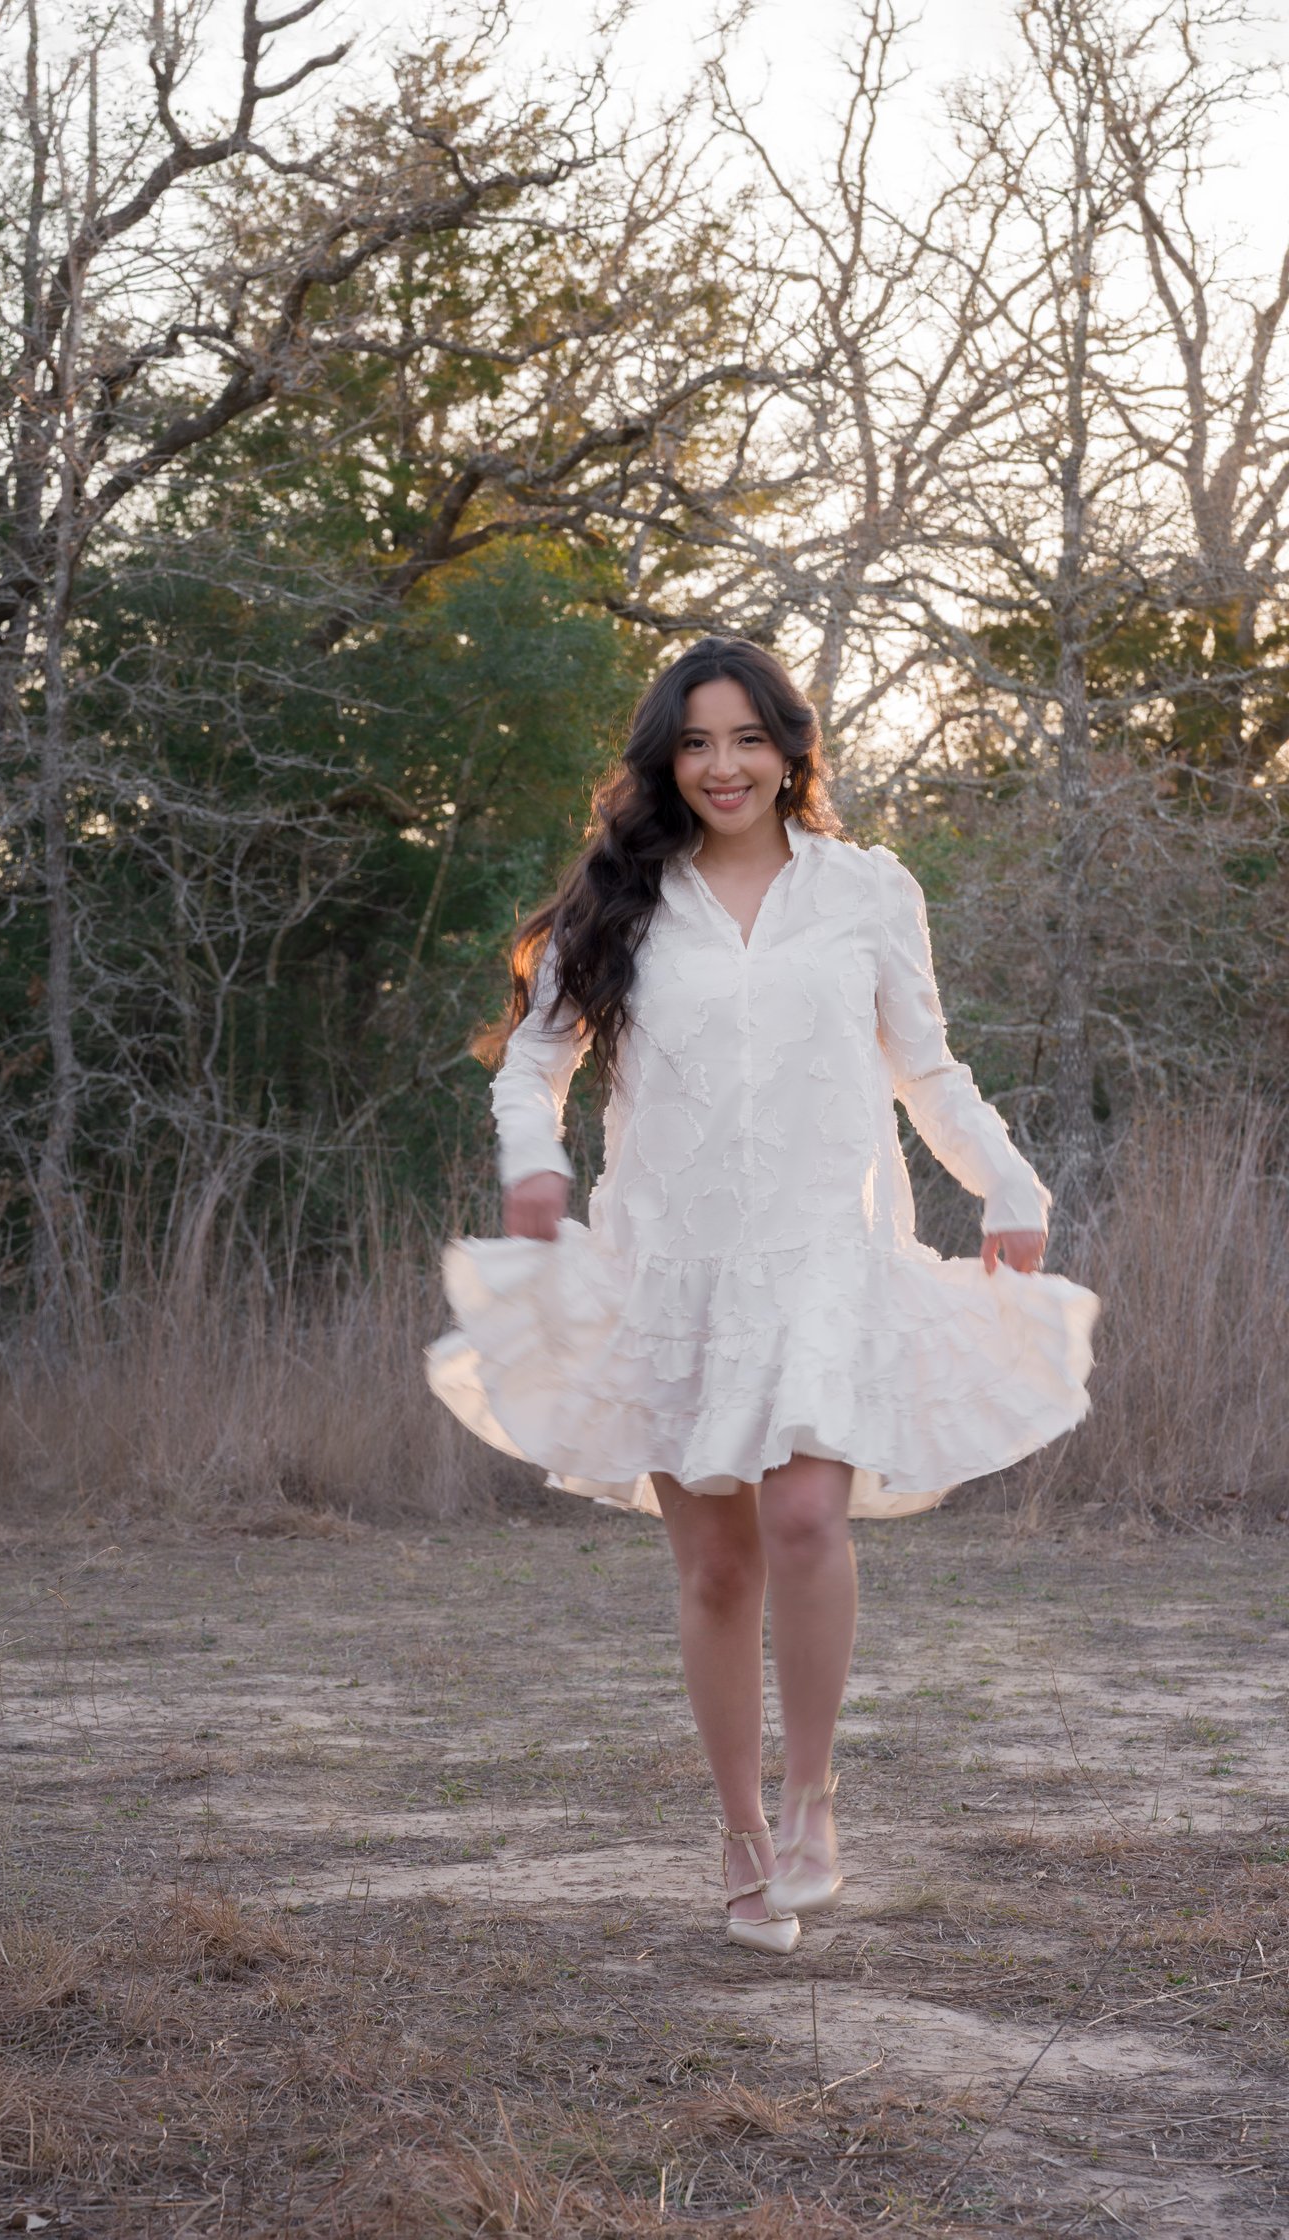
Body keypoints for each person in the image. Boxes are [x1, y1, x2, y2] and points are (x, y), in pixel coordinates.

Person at [426, 635, 1098, 1956]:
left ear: (793, 751)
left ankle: (809, 1804)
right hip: (670, 1266)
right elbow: (531, 1069)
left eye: (746, 739)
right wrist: (534, 1172)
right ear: (665, 761)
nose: (722, 766)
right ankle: (737, 1834)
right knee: (718, 1567)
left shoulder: (866, 891)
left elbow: (930, 1072)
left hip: (820, 1260)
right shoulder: (618, 902)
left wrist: (1008, 1184)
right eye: (696, 742)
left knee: (803, 1518)